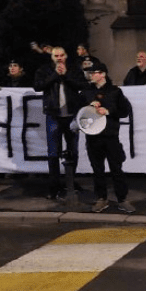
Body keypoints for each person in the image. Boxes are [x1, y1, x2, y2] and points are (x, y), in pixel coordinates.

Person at [79, 61, 135, 214]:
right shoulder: (86, 92)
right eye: (90, 73)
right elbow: (79, 112)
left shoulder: (115, 91)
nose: (91, 75)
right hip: (93, 137)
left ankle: (122, 199)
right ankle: (101, 198)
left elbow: (125, 111)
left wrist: (108, 111)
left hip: (110, 136)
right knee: (97, 169)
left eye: (94, 72)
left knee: (116, 169)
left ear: (103, 74)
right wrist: (89, 106)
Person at [33, 46, 86, 200]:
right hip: (53, 115)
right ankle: (54, 186)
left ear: (66, 55)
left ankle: (71, 183)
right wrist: (56, 75)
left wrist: (66, 75)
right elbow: (38, 86)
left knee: (73, 151)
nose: (60, 58)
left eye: (62, 55)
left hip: (71, 115)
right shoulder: (44, 70)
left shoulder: (74, 69)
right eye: (56, 56)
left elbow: (82, 85)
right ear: (52, 57)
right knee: (53, 153)